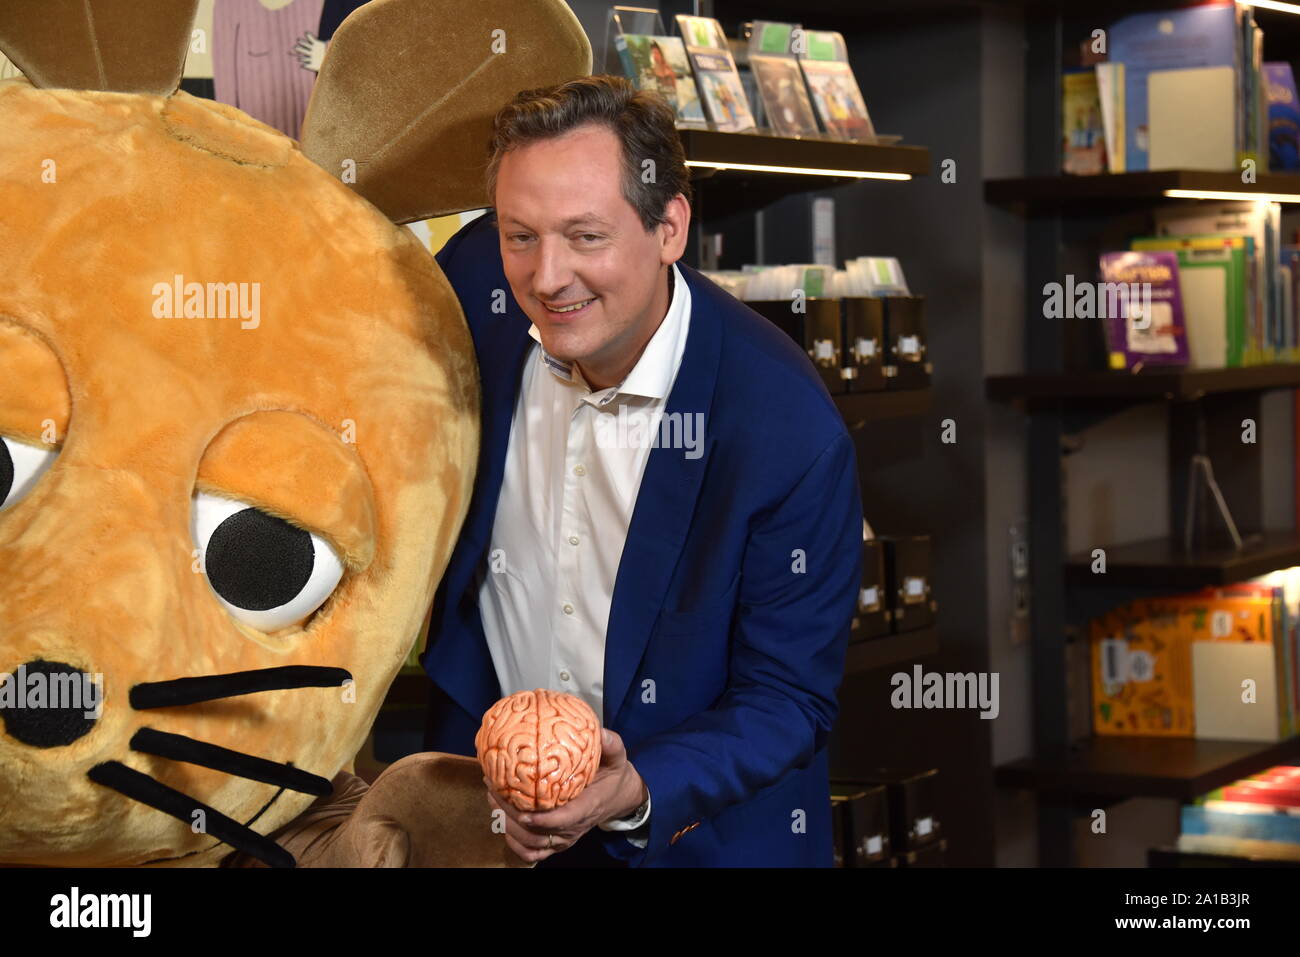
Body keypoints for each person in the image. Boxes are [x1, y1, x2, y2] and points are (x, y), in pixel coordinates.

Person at [423, 74, 862, 867]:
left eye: (586, 236)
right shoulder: (474, 294)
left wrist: (638, 788)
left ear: (669, 227)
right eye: (520, 234)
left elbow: (788, 698)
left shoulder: (784, 426)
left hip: (694, 840)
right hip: (486, 827)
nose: (547, 276)